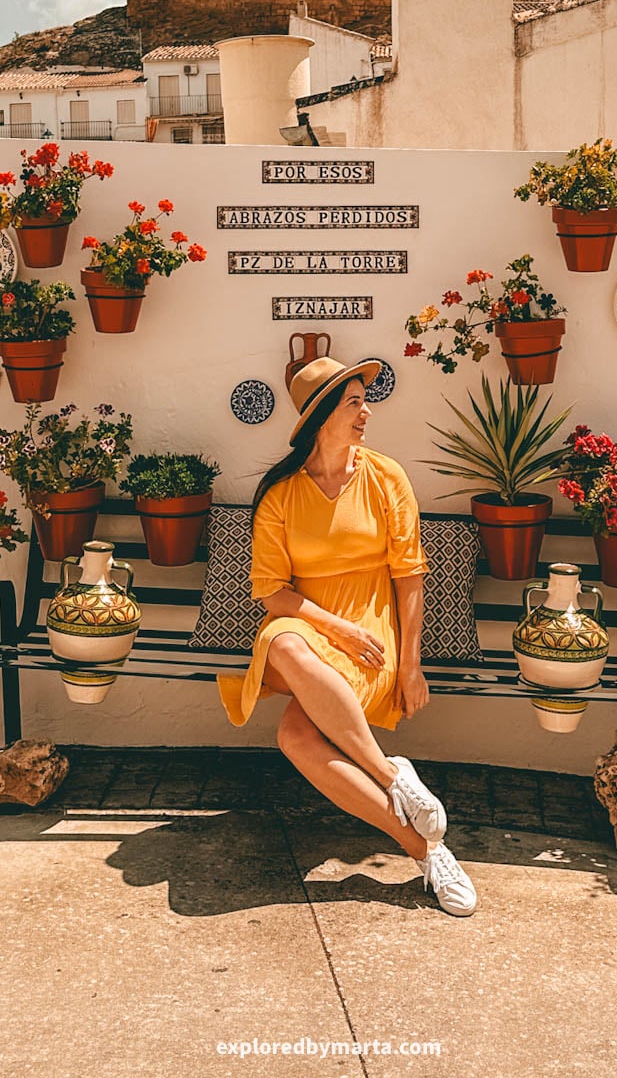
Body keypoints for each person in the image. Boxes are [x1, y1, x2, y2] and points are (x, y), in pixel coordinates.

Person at [217, 355, 477, 916]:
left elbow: (409, 577)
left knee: (294, 739)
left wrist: (410, 665)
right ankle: (393, 775)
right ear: (321, 418)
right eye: (354, 402)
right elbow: (270, 592)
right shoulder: (281, 493)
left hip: (374, 633)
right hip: (307, 627)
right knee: (283, 640)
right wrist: (337, 628)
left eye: (365, 400)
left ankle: (426, 851)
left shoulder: (386, 478)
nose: (366, 413)